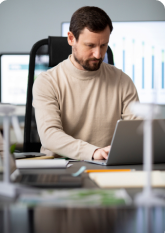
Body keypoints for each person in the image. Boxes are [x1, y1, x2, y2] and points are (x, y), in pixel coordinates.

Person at [33, 6, 139, 161]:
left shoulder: (122, 80)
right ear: (71, 39)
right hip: (61, 166)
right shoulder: (47, 82)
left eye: (103, 45)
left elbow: (139, 131)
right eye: (90, 45)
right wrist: (93, 152)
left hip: (108, 165)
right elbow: (50, 135)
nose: (98, 54)